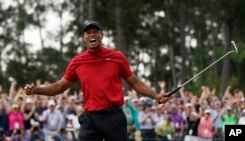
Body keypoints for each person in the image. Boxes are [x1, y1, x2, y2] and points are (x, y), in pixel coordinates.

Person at [24, 20, 171, 141]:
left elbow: (135, 82)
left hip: (114, 117)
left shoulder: (117, 57)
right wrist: (36, 90)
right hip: (91, 119)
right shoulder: (78, 62)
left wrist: (156, 96)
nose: (92, 35)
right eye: (88, 32)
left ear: (102, 35)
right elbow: (59, 87)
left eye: (95, 32)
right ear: (84, 38)